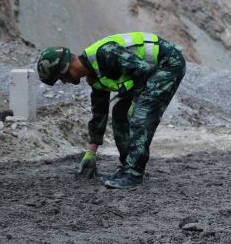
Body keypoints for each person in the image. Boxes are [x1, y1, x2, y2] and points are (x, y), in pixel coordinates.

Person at [36, 32, 186, 189]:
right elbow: (99, 115)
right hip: (149, 73)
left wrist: (135, 103)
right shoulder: (94, 77)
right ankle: (127, 167)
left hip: (168, 63)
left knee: (140, 115)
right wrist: (90, 154)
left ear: (65, 68)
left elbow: (143, 70)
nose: (64, 82)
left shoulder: (105, 53)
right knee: (120, 113)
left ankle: (133, 174)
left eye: (60, 78)